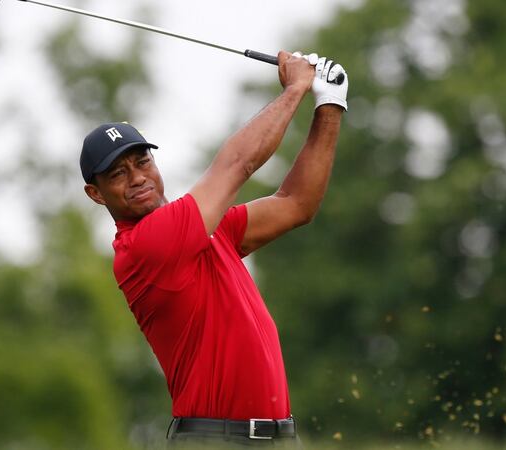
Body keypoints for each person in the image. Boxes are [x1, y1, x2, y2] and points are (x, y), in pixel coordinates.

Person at [80, 51, 348, 448]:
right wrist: (296, 88)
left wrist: (329, 105)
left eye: (143, 161)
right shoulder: (145, 246)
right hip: (215, 440)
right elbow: (237, 163)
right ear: (96, 194)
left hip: (276, 438)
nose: (138, 178)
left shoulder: (207, 230)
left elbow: (296, 203)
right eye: (118, 173)